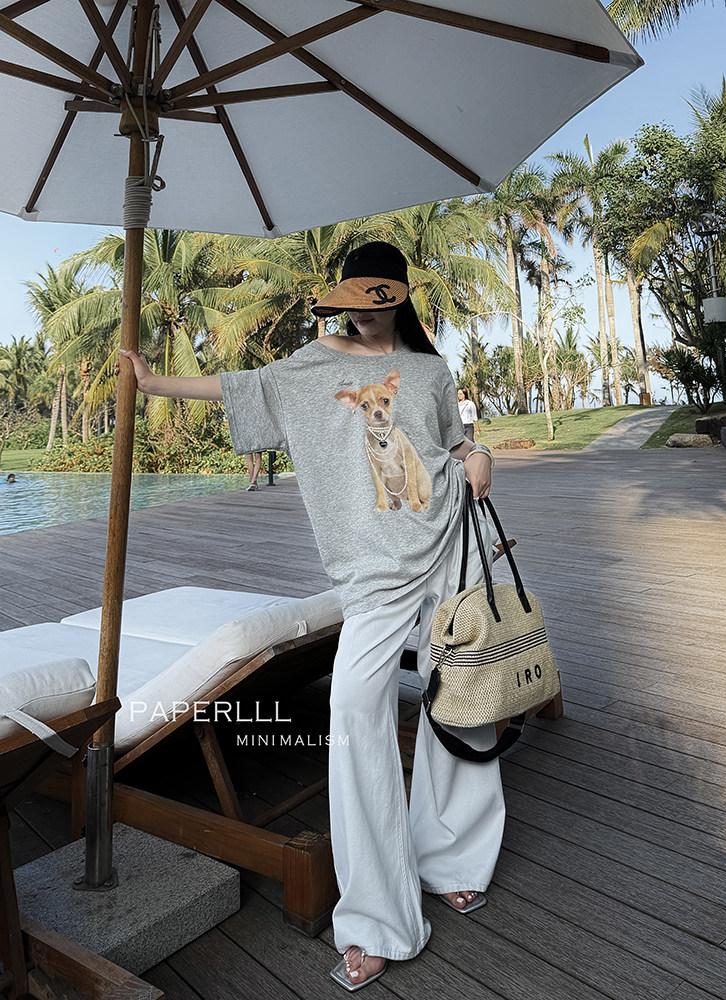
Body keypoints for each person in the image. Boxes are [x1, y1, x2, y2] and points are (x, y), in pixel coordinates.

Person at [119, 241, 504, 991]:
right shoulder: (312, 365)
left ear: (397, 298)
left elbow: (453, 441)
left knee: (464, 695)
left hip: (449, 538)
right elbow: (241, 386)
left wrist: (479, 453)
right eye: (350, 303)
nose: (359, 315)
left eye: (372, 302)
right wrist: (154, 381)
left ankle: (453, 858)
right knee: (355, 708)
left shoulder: (429, 369)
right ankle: (377, 917)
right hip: (372, 574)